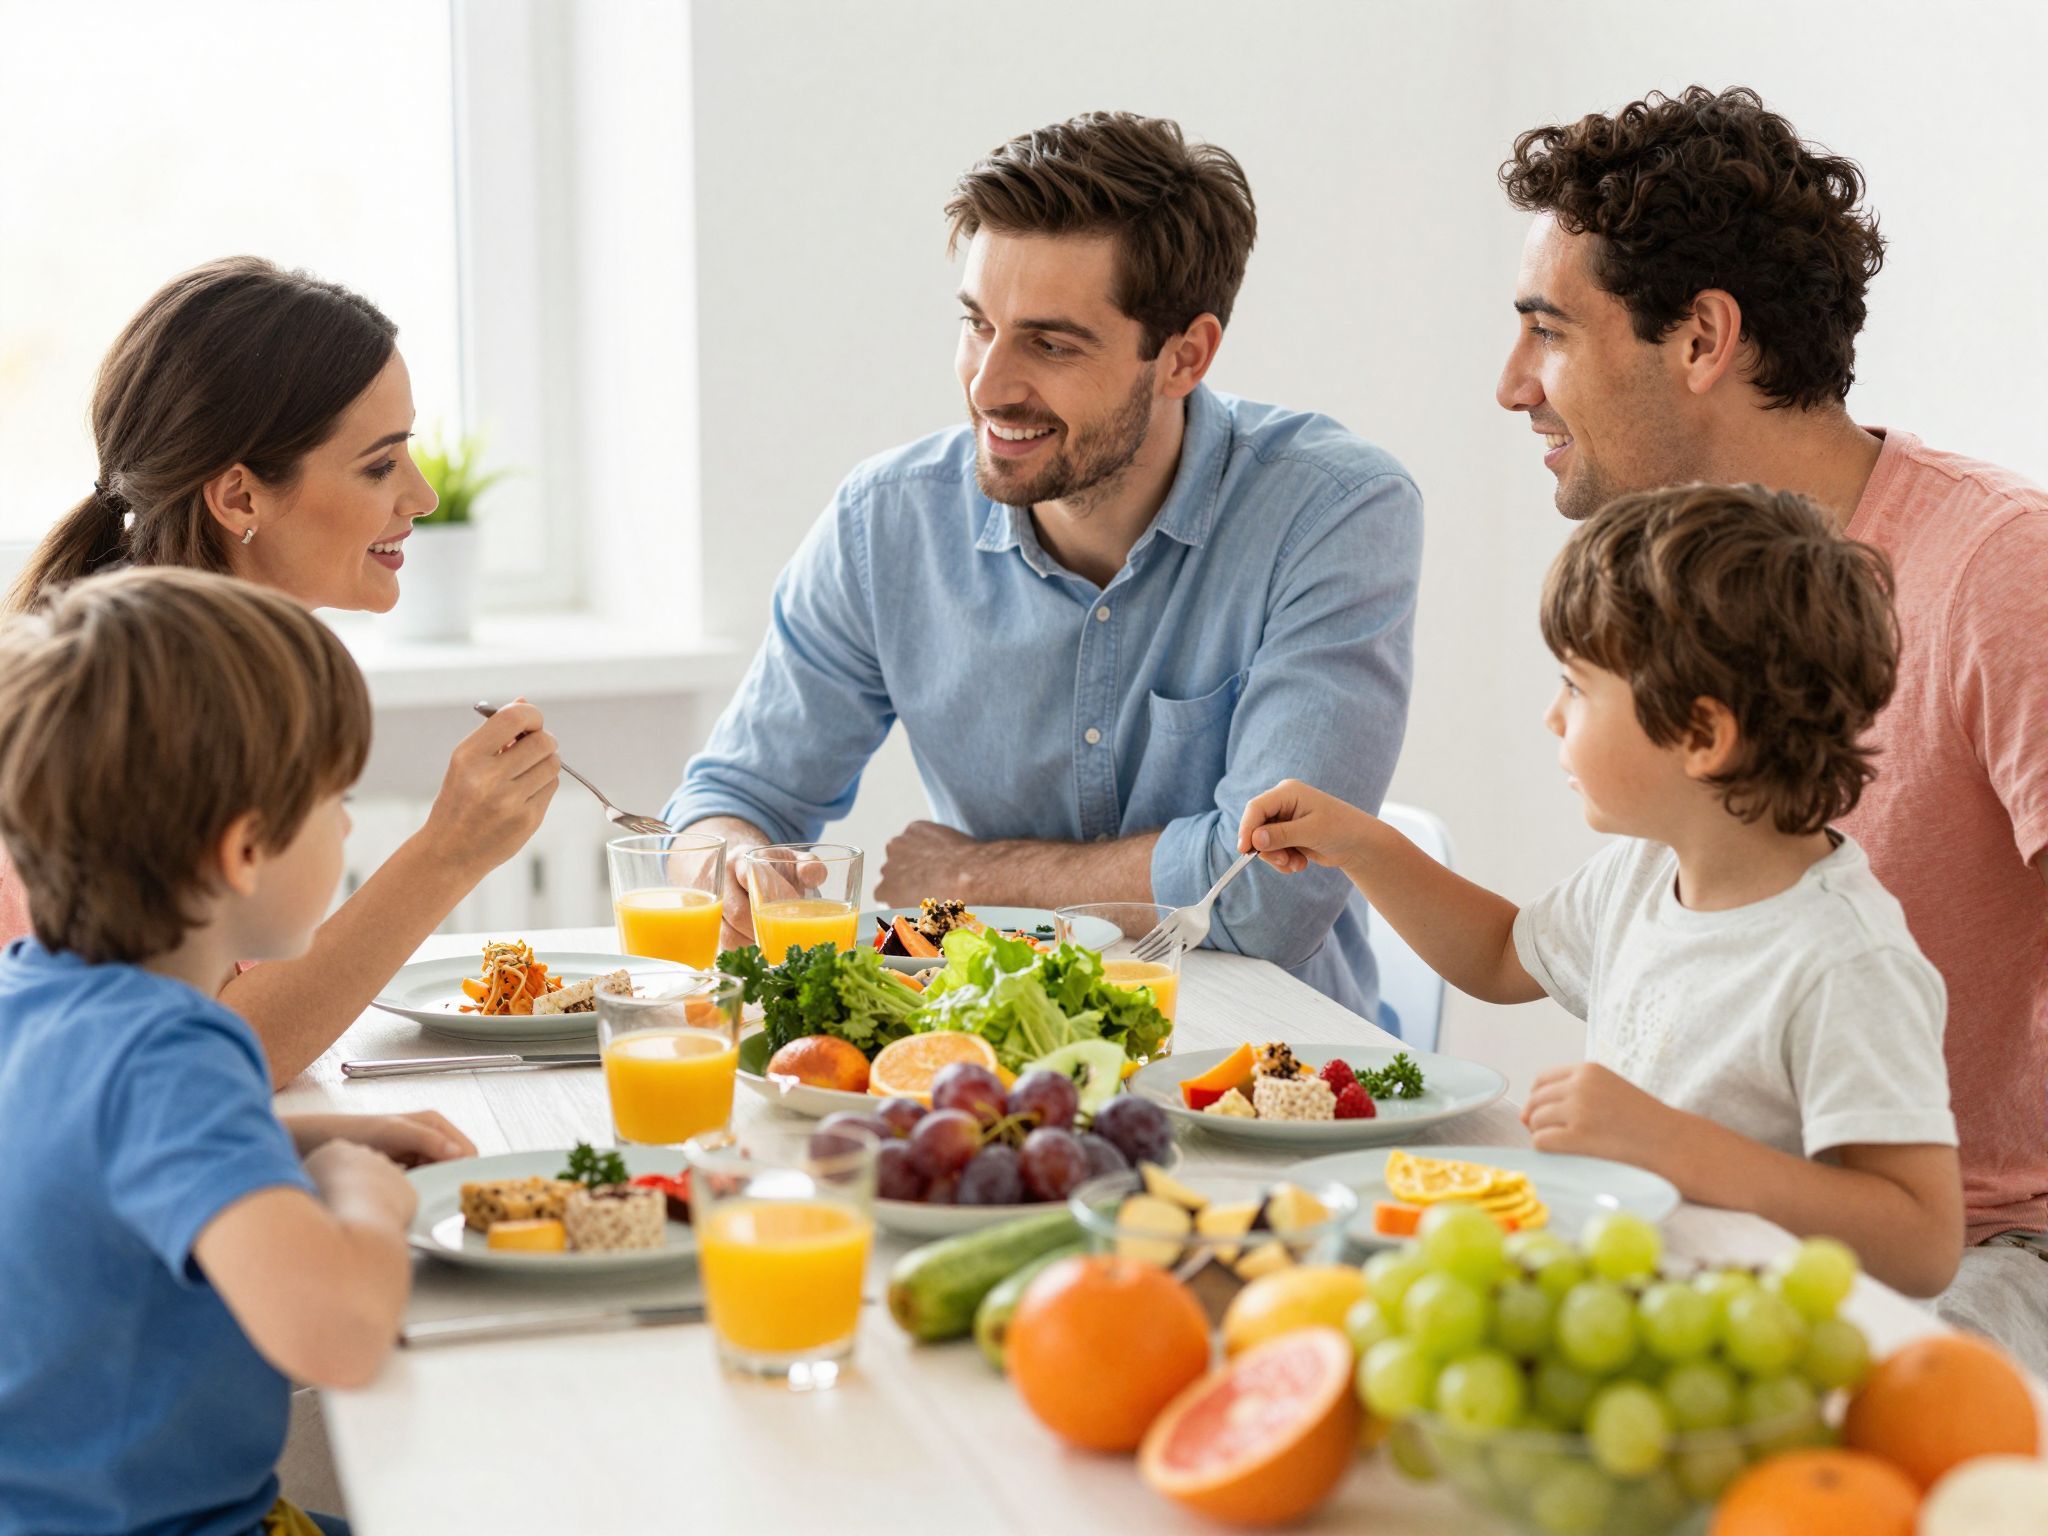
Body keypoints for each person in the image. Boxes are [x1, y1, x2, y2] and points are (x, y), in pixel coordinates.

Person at [1494, 85, 2048, 1361]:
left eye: (1548, 333)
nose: (1512, 385)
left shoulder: (1997, 571)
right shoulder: (1668, 607)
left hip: (1970, 1252)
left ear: (1700, 338)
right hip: (1721, 1220)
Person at [668, 112, 1423, 1022]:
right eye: (978, 324)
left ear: (1185, 355)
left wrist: (966, 877)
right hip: (974, 1063)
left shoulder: (1332, 512)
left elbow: (1268, 898)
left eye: (1051, 343)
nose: (989, 386)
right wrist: (737, 862)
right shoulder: (888, 522)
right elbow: (727, 796)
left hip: (1265, 1078)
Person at [1241, 484, 1961, 1295]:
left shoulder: (1845, 961)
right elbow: (1498, 954)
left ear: (1701, 734)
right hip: (1632, 1295)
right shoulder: (1648, 870)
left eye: (1578, 688)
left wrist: (1677, 1147)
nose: (1553, 717)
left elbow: (1925, 1240)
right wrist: (1363, 846)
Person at [0, 257, 561, 1083]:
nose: (423, 496)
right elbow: (193, 1066)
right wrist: (450, 850)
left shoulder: (216, 670)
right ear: (239, 498)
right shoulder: (133, 709)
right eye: (379, 464)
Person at [0, 568, 472, 1536]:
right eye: (334, 798)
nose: (347, 824)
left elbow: (98, 1175)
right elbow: (338, 1333)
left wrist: (308, 1137)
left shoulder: (32, 998)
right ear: (244, 850)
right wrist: (359, 1192)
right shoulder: (171, 1049)